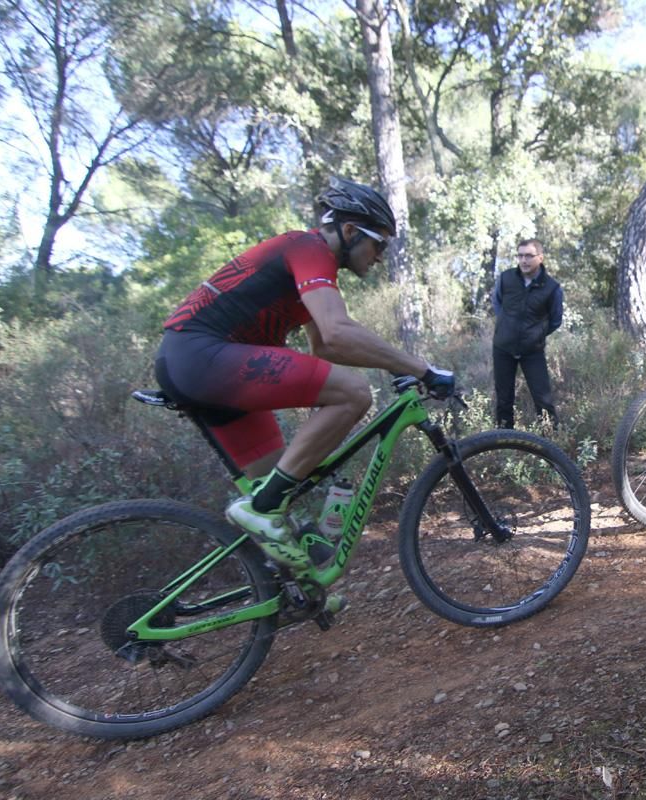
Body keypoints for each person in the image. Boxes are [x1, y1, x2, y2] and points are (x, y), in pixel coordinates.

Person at [155, 177, 455, 571]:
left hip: (195, 363)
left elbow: (326, 346)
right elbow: (336, 331)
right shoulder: (308, 247)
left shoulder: (315, 268)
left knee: (279, 484)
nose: (380, 256)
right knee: (352, 393)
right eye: (379, 243)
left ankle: (293, 589)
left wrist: (396, 364)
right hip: (199, 355)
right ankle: (262, 509)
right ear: (349, 231)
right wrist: (422, 368)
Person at [491, 238, 563, 429]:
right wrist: (506, 325)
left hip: (533, 351)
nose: (524, 260)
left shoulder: (551, 287)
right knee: (504, 400)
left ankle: (552, 443)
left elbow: (556, 320)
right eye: (520, 255)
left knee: (543, 399)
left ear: (540, 258)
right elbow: (497, 303)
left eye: (529, 256)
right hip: (503, 348)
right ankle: (504, 444)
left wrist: (536, 333)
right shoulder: (506, 278)